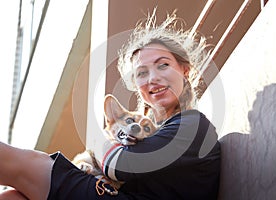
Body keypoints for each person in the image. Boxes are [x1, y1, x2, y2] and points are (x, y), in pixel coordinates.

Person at [0, 8, 220, 200]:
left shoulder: (192, 125)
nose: (152, 78)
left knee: (28, 163)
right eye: (141, 73)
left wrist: (98, 139)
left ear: (184, 70)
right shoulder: (157, 132)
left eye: (163, 65)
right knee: (14, 197)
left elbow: (120, 164)